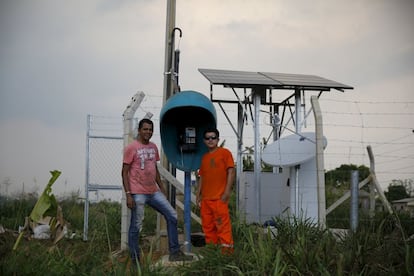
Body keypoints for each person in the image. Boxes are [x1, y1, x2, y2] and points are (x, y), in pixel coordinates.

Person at [122, 118, 193, 263]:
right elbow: (124, 172)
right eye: (145, 129)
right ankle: (135, 260)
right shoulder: (131, 148)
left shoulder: (153, 147)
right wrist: (128, 195)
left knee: (172, 215)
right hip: (137, 193)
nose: (148, 132)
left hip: (153, 191)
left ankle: (174, 252)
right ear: (139, 130)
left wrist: (161, 187)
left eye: (150, 129)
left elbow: (154, 167)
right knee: (136, 225)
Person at [196, 128, 235, 254]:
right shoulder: (204, 158)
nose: (210, 140)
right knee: (208, 229)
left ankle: (226, 256)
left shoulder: (225, 153)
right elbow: (202, 177)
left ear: (218, 139)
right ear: (204, 141)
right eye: (207, 138)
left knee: (223, 228)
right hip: (206, 200)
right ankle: (213, 254)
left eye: (213, 137)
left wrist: (227, 192)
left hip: (219, 199)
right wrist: (198, 194)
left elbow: (231, 171)